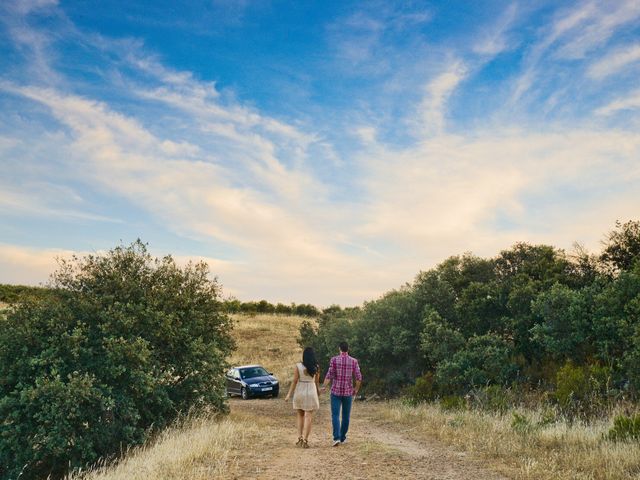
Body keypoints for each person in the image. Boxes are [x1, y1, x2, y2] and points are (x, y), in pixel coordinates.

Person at [320, 341, 362, 446]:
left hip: (336, 392)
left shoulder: (334, 360)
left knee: (335, 415)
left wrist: (324, 386)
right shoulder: (354, 361)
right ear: (348, 349)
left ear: (339, 349)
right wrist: (356, 389)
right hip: (348, 392)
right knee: (346, 416)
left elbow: (329, 375)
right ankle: (343, 437)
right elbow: (358, 377)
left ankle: (337, 438)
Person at [284, 347, 320, 448]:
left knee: (300, 416)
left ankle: (299, 438)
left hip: (300, 390)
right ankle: (305, 440)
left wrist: (289, 394)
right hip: (311, 391)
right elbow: (317, 382)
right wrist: (318, 391)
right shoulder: (316, 367)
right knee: (309, 417)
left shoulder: (298, 366)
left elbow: (294, 381)